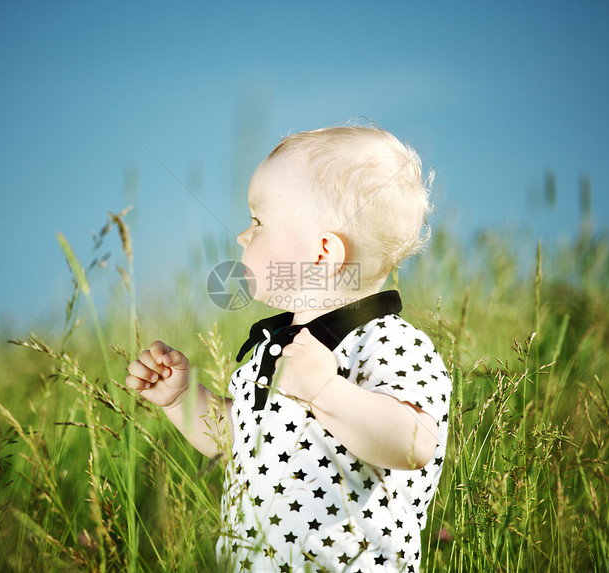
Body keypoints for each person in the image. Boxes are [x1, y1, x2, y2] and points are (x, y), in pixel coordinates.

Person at [126, 125, 452, 572]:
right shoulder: (273, 350)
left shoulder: (388, 342)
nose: (243, 235)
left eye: (258, 222)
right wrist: (183, 399)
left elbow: (413, 443)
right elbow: (242, 442)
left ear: (323, 254)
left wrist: (324, 390)